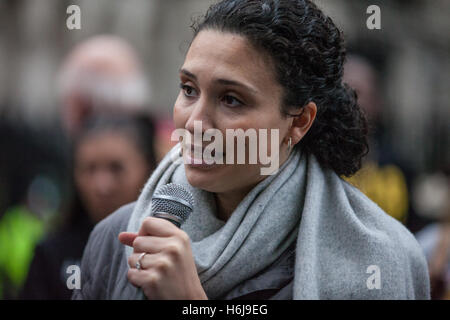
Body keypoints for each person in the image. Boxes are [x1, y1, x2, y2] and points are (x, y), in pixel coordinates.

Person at [73, 0, 430, 300]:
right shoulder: (118, 237)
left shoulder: (377, 262)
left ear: (299, 121)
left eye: (231, 99)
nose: (195, 122)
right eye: (188, 89)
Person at [19, 114, 156, 299]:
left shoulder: (168, 248)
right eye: (90, 169)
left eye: (116, 168)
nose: (101, 185)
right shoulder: (51, 254)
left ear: (148, 170)